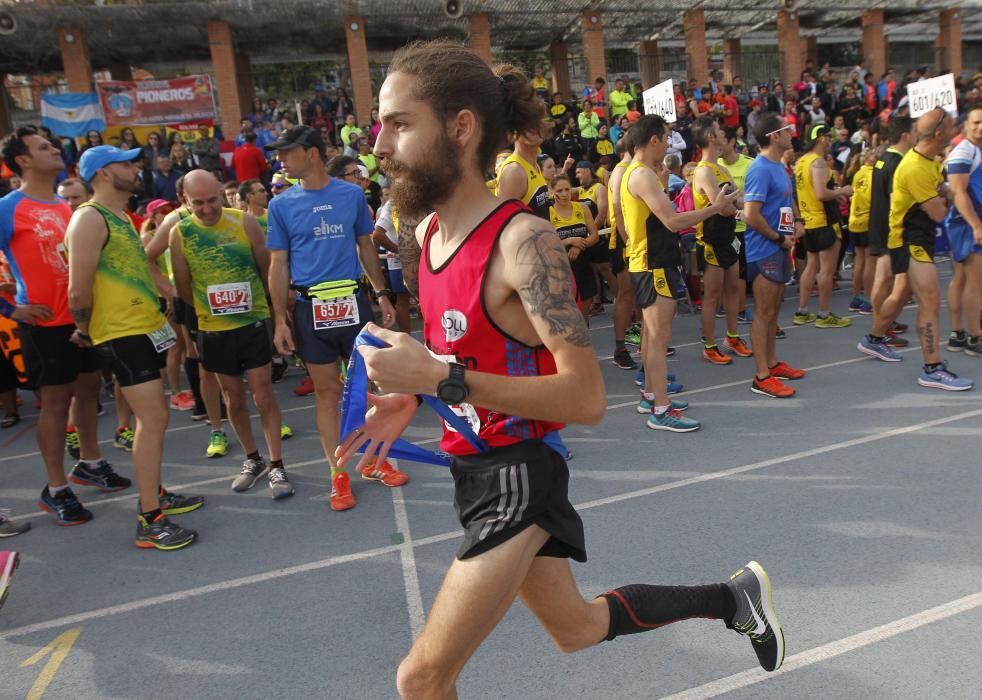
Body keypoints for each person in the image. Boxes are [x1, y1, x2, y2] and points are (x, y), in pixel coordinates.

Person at [341, 41, 784, 699]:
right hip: (474, 469)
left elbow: (585, 397)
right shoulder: (429, 233)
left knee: (423, 678)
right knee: (574, 627)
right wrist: (413, 390)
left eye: (399, 123)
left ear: (460, 128)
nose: (379, 143)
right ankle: (733, 598)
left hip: (520, 472)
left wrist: (439, 382)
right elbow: (457, 355)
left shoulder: (523, 243)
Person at [67, 145, 204, 549]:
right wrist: (83, 329)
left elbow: (139, 264)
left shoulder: (120, 217)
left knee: (155, 418)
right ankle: (149, 518)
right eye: (126, 164)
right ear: (104, 174)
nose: (135, 168)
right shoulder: (88, 219)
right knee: (155, 418)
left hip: (141, 327)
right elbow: (78, 289)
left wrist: (167, 290)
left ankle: (156, 494)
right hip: (120, 332)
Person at [266, 125, 403, 512]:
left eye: (286, 152)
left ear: (311, 153)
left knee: (367, 385)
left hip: (353, 300)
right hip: (311, 308)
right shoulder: (281, 205)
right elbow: (278, 264)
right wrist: (280, 319)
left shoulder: (350, 195)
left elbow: (365, 245)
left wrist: (380, 294)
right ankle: (337, 473)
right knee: (327, 393)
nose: (280, 160)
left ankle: (377, 460)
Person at [0, 128, 130, 527]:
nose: (55, 150)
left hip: (83, 319)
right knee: (56, 402)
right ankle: (55, 487)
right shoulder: (9, 207)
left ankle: (90, 462)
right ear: (22, 160)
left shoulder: (64, 206)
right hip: (45, 324)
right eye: (43, 148)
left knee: (89, 391)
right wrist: (10, 309)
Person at [170, 171, 293, 498]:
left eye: (213, 201)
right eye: (199, 203)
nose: (208, 209)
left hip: (252, 322)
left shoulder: (243, 223)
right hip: (213, 328)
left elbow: (267, 269)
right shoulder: (180, 233)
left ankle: (277, 464)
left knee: (261, 393)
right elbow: (182, 286)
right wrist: (206, 307)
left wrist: (276, 315)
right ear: (186, 201)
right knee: (233, 398)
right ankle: (252, 459)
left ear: (221, 197)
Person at [623, 115, 739, 432]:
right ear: (655, 141)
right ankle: (661, 409)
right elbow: (673, 222)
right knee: (659, 339)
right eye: (667, 137)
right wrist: (716, 207)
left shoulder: (641, 173)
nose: (671, 145)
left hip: (647, 261)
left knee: (651, 335)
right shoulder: (641, 176)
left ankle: (651, 395)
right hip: (653, 262)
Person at [885, 109, 973, 390]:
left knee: (905, 297)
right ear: (938, 133)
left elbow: (942, 190)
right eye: (951, 126)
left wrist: (944, 193)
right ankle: (932, 368)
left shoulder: (930, 159)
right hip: (909, 240)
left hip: (919, 239)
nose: (954, 130)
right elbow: (938, 212)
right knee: (930, 303)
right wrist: (944, 196)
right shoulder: (915, 167)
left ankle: (874, 338)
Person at [742, 113, 807, 398]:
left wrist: (798, 220)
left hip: (781, 246)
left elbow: (787, 197)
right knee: (764, 312)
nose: (791, 132)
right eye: (786, 129)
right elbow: (751, 216)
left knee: (774, 311)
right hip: (766, 249)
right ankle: (761, 376)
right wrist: (779, 238)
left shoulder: (779, 166)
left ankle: (771, 362)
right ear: (773, 136)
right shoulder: (759, 169)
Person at [691, 117, 753, 365]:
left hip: (729, 237)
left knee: (734, 289)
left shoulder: (721, 169)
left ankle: (733, 337)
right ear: (709, 137)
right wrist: (741, 210)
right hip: (710, 240)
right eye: (717, 129)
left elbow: (737, 198)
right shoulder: (704, 170)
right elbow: (722, 206)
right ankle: (709, 345)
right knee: (713, 295)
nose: (722, 132)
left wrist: (746, 206)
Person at [857, 116, 915, 362]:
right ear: (904, 135)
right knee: (890, 283)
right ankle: (878, 332)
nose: (915, 137)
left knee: (885, 281)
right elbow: (896, 200)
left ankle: (882, 329)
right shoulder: (898, 163)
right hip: (892, 230)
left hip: (880, 227)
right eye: (913, 132)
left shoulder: (882, 159)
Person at [793, 125, 853, 328]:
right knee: (827, 270)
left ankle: (802, 311)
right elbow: (821, 193)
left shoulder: (801, 161)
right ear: (820, 138)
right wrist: (841, 191)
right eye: (828, 137)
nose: (830, 141)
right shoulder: (818, 162)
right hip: (823, 220)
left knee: (812, 265)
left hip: (809, 220)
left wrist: (835, 193)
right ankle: (824, 313)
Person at [945, 105, 982, 357]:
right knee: (974, 281)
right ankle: (974, 337)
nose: (980, 127)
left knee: (961, 279)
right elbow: (957, 192)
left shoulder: (975, 150)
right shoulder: (964, 151)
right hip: (967, 223)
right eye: (976, 123)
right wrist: (976, 225)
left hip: (968, 223)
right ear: (965, 125)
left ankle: (958, 334)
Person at [549, 174, 599, 319]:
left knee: (584, 314)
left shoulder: (582, 208)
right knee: (569, 314)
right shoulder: (548, 212)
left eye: (567, 189)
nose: (564, 194)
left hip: (583, 263)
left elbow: (594, 236)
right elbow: (547, 243)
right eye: (559, 191)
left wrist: (579, 245)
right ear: (552, 192)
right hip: (562, 267)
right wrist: (569, 241)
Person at [846, 148, 877, 315]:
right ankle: (867, 298)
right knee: (870, 262)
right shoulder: (874, 174)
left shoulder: (858, 173)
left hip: (854, 220)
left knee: (859, 261)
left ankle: (856, 296)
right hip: (867, 220)